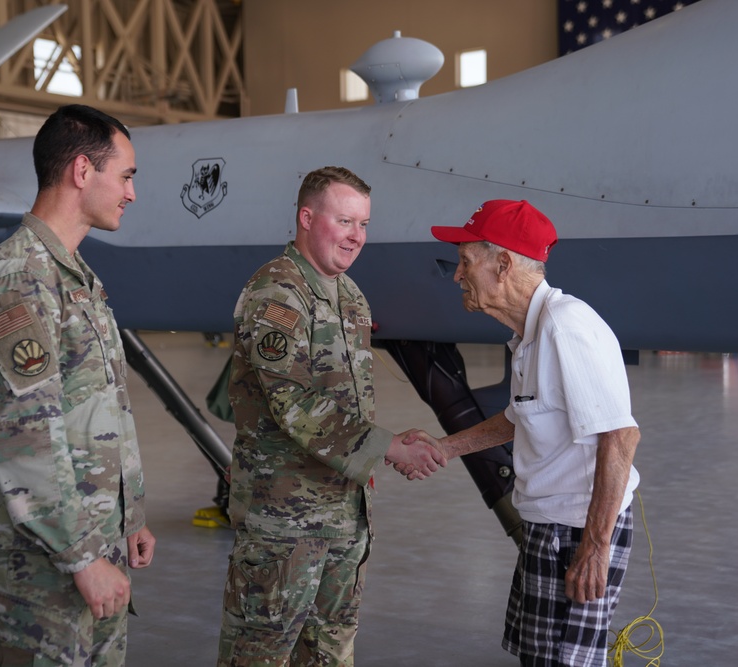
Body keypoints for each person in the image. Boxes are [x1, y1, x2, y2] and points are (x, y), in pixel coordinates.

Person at [0, 104, 156, 667]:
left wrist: (127, 515)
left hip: (88, 546)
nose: (131, 193)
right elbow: (25, 438)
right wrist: (84, 559)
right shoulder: (20, 280)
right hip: (37, 573)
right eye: (127, 175)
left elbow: (99, 408)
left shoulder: (75, 276)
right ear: (83, 172)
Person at [217, 166, 447, 666]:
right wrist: (385, 446)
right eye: (345, 221)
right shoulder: (277, 294)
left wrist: (388, 439)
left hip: (344, 515)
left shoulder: (349, 296)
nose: (356, 237)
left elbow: (346, 406)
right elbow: (292, 404)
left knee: (329, 653)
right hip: (284, 524)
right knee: (260, 652)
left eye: (363, 224)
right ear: (306, 217)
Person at [407, 199, 640, 667]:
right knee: (538, 658)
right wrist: (445, 447)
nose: (457, 275)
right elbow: (519, 416)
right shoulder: (529, 336)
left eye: (466, 261)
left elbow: (620, 436)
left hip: (578, 530)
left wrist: (595, 547)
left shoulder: (565, 327)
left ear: (504, 264)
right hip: (549, 526)